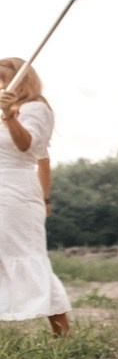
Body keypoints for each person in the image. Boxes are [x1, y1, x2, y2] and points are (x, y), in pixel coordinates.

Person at [0, 58, 71, 336]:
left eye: (4, 79)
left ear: (21, 80)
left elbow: (27, 147)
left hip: (16, 189)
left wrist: (9, 115)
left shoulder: (36, 108)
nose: (1, 86)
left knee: (26, 255)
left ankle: (62, 332)